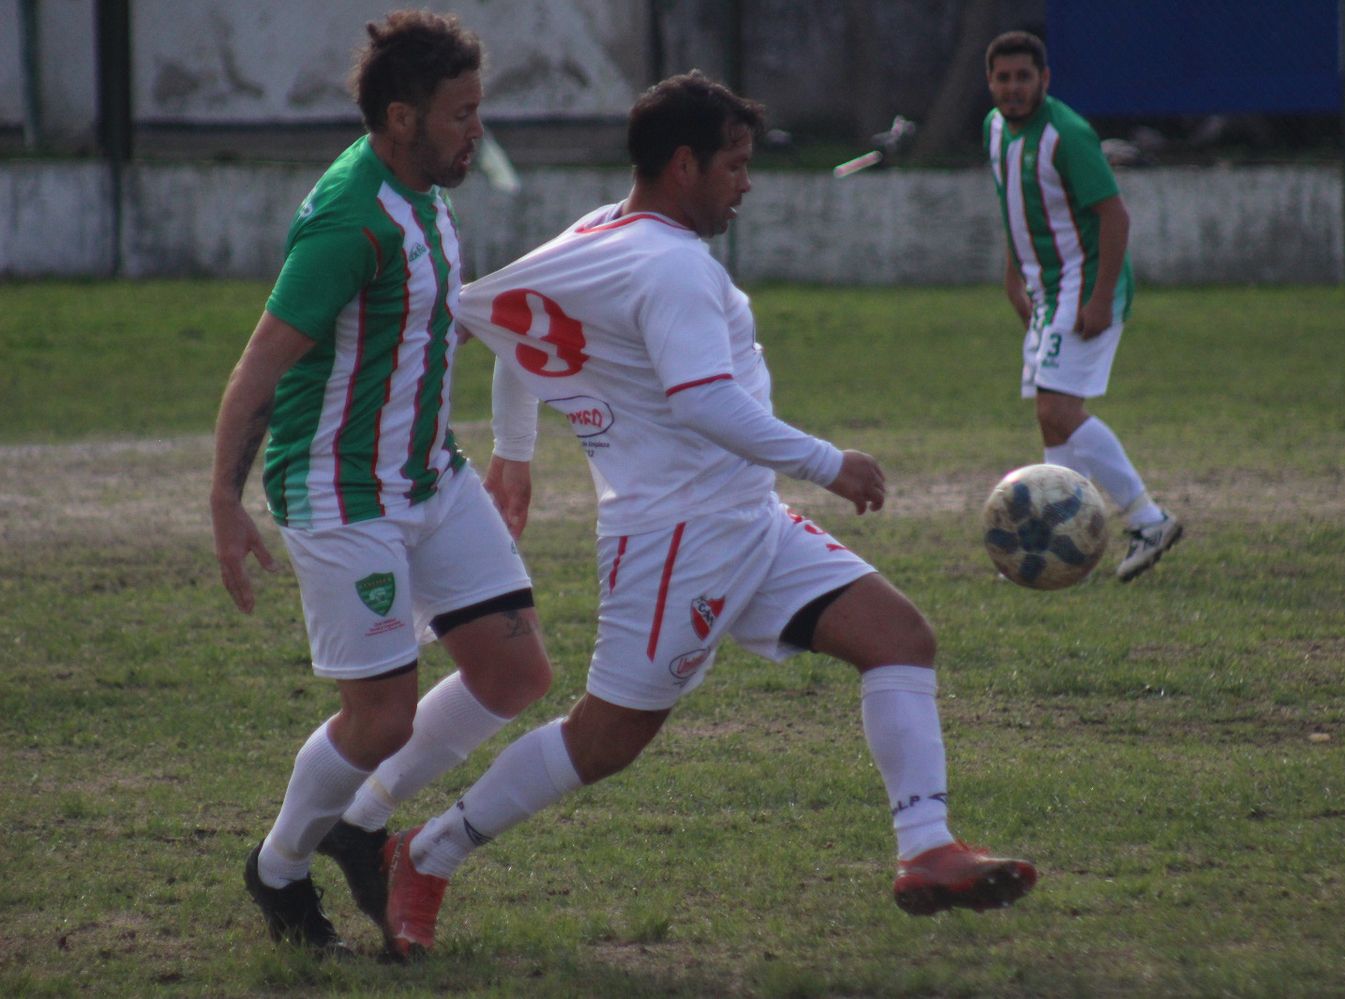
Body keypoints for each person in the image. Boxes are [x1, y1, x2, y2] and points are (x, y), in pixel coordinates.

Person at [364, 70, 1038, 960]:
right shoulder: (673, 262)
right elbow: (703, 402)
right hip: (678, 534)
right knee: (604, 740)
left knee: (900, 638)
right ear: (683, 165)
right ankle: (425, 851)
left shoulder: (605, 232)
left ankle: (927, 849)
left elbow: (519, 325)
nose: (747, 183)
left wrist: (516, 453)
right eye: (735, 164)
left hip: (743, 517)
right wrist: (831, 463)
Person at [209, 10, 552, 954]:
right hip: (340, 492)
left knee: (515, 670)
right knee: (381, 714)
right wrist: (224, 504)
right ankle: (278, 867)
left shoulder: (422, 183)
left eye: (479, 110)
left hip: (428, 478)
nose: (476, 132)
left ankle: (361, 823)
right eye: (461, 114)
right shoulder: (351, 220)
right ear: (402, 117)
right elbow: (260, 369)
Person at [982, 30, 1182, 582]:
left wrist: (1098, 298)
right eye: (1004, 78)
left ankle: (1149, 519)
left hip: (1084, 284)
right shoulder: (994, 129)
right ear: (990, 82)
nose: (1014, 87)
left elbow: (1115, 217)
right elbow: (1015, 208)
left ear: (1044, 80)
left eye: (1025, 77)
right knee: (1053, 422)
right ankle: (1056, 546)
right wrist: (1012, 277)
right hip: (1046, 288)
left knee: (1057, 411)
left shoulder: (1067, 134)